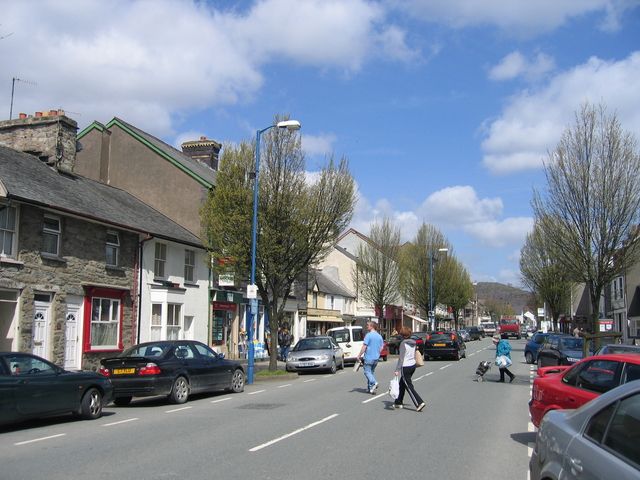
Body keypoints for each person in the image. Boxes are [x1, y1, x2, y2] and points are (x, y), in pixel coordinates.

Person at [393, 326, 425, 411]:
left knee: (408, 386)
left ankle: (419, 402)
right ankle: (398, 402)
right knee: (402, 384)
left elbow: (401, 358)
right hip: (412, 365)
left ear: (402, 334)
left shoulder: (403, 343)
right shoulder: (413, 342)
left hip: (405, 366)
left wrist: (397, 370)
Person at [357, 321, 384, 394]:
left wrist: (359, 355)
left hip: (369, 357)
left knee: (367, 372)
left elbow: (364, 346)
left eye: (368, 325)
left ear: (372, 326)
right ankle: (370, 388)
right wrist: (378, 353)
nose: (367, 326)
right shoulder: (379, 336)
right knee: (371, 373)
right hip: (376, 358)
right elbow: (381, 347)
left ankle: (374, 382)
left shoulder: (368, 335)